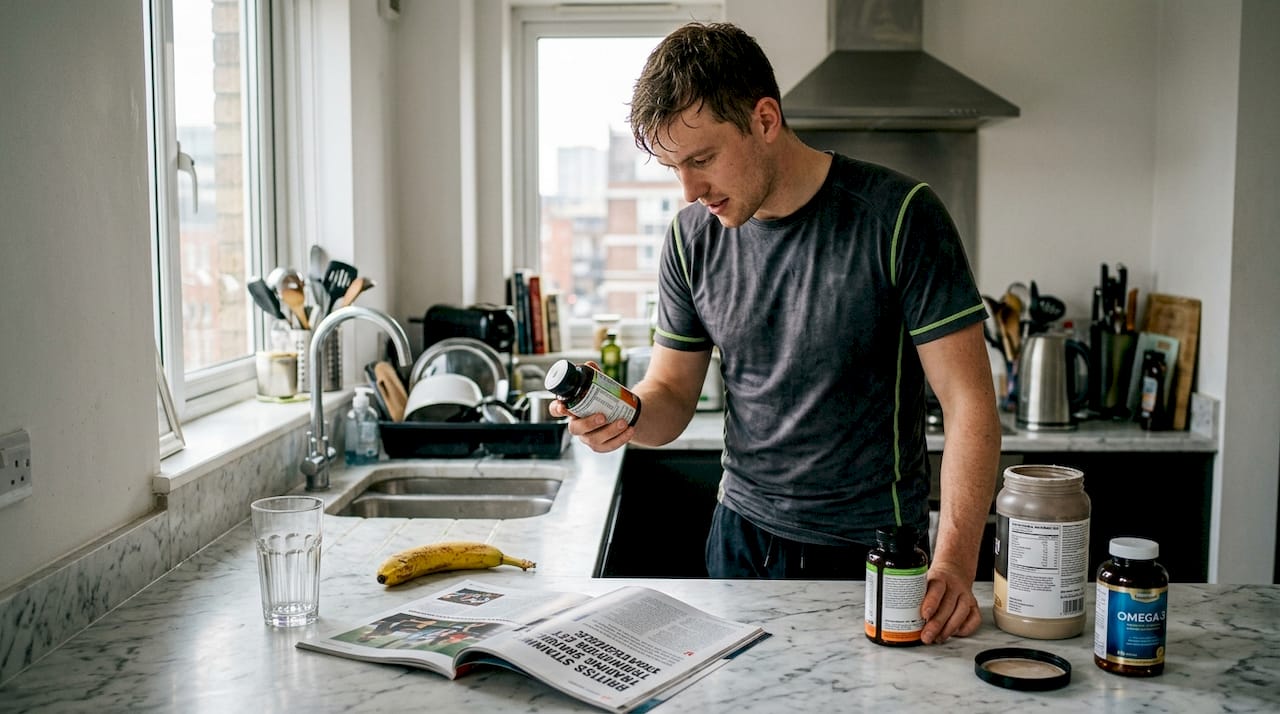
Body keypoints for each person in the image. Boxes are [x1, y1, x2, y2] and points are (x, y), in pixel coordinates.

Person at [551, 22, 1000, 645]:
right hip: (738, 538)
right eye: (675, 167)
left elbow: (969, 402)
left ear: (765, 119)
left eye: (702, 160)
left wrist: (954, 561)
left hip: (871, 550)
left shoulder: (900, 217)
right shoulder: (690, 239)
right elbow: (671, 395)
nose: (690, 191)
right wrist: (621, 415)